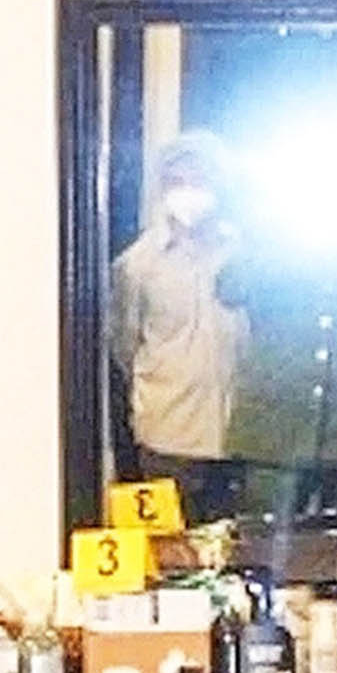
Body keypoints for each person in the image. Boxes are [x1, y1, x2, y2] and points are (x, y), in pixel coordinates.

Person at [109, 130, 252, 522]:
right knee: (171, 563)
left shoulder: (246, 255)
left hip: (239, 438)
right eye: (177, 182)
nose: (189, 192)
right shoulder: (137, 265)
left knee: (234, 563)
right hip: (167, 439)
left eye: (200, 180)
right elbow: (125, 345)